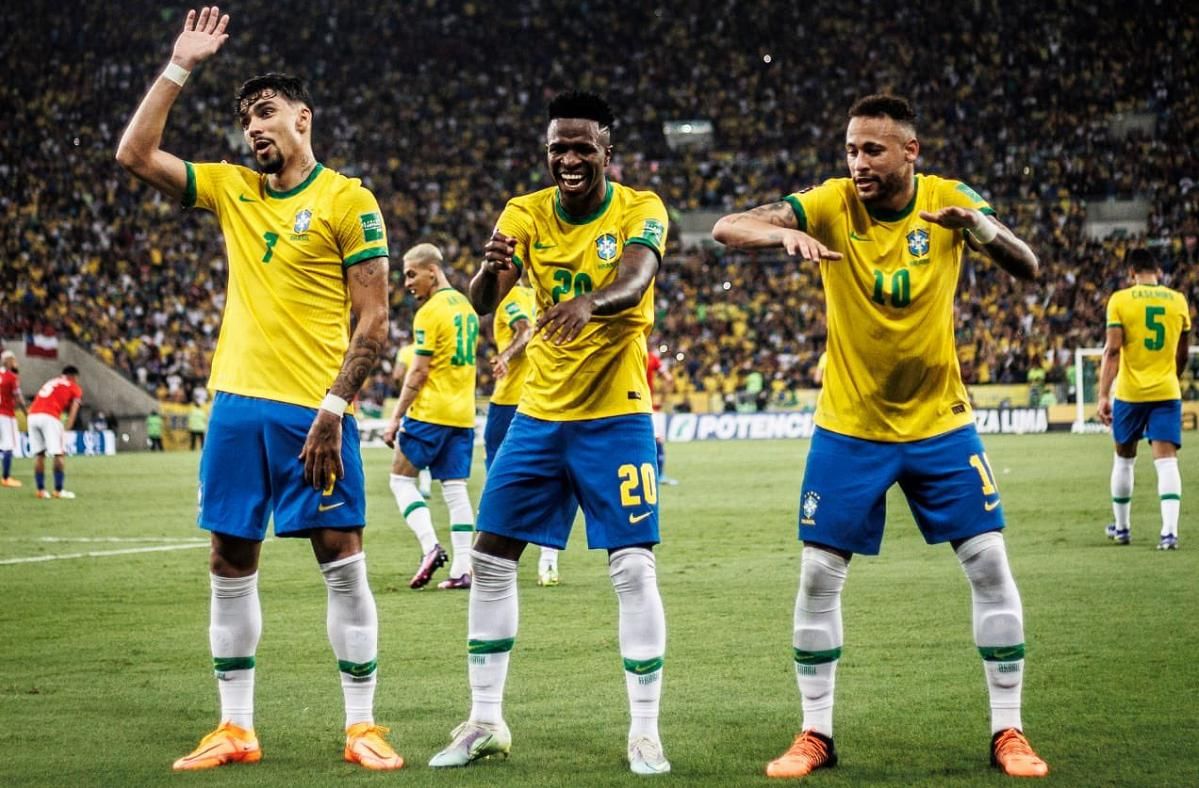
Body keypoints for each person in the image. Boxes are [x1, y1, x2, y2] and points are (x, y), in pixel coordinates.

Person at [712, 94, 1049, 779]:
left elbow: (1028, 264)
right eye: (849, 149)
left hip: (940, 425)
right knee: (816, 574)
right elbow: (726, 227)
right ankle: (815, 734)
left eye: (871, 149)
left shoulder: (948, 199)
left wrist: (976, 228)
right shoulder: (832, 200)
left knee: (988, 564)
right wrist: (781, 234)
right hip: (849, 426)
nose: (857, 162)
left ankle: (1007, 730)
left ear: (909, 152)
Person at [114, 7, 403, 771]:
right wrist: (180, 64)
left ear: (303, 119)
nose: (254, 128)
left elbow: (374, 324)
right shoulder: (234, 190)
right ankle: (236, 727)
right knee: (228, 560)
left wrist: (333, 412)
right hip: (237, 404)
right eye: (246, 118)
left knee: (341, 555)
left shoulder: (348, 199)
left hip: (316, 410)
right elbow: (135, 153)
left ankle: (362, 727)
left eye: (266, 112)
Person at [429, 91, 672, 776]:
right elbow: (482, 301)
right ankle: (484, 721)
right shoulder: (522, 212)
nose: (568, 158)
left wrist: (588, 302)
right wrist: (484, 270)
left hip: (617, 413)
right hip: (537, 414)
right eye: (557, 148)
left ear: (605, 149)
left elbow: (636, 277)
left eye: (580, 146)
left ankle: (644, 731)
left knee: (630, 565)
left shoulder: (639, 208)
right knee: (491, 555)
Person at [382, 243, 479, 590]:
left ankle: (429, 546)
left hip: (430, 413)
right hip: (463, 414)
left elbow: (419, 372)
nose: (407, 282)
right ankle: (463, 568)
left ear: (432, 272)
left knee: (401, 480)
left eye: (411, 274)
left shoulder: (430, 312)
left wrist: (395, 418)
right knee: (455, 490)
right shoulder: (466, 307)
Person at [1098, 248, 1191, 550]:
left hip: (1130, 393)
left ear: (1131, 272)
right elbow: (1183, 351)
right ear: (1158, 272)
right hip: (1166, 391)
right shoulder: (1178, 300)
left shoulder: (1120, 300)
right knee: (1166, 462)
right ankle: (1169, 533)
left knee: (1124, 459)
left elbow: (1112, 351)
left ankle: (1123, 528)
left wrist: (1102, 395)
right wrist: (1171, 378)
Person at [483, 276, 562, 586]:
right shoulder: (540, 296)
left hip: (511, 400)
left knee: (499, 480)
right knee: (550, 479)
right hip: (545, 396)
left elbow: (524, 330)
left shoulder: (512, 297)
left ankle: (494, 561)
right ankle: (548, 561)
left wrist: (504, 355)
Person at [27, 365, 83, 499]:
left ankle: (40, 490)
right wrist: (68, 427)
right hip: (49, 417)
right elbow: (74, 409)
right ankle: (59, 490)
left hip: (32, 415)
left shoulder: (51, 382)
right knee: (59, 454)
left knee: (40, 455)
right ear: (74, 377)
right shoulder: (74, 386)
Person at [391, 342, 433, 498]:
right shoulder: (435, 348)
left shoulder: (406, 351)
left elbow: (397, 374)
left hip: (412, 401)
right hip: (433, 401)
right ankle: (425, 480)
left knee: (407, 442)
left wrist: (400, 386)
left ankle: (418, 481)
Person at [647, 348, 679, 485]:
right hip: (646, 405)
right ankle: (659, 475)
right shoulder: (651, 358)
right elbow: (669, 378)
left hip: (622, 406)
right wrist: (663, 397)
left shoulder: (624, 353)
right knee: (658, 439)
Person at [0, 349, 28, 488]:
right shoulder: (11, 377)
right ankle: (6, 478)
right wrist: (26, 412)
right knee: (8, 445)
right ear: (7, 361)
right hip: (6, 415)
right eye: (13, 360)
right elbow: (19, 398)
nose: (14, 362)